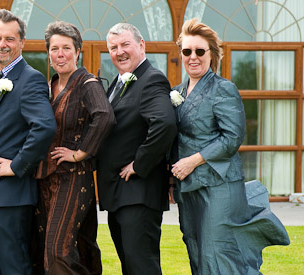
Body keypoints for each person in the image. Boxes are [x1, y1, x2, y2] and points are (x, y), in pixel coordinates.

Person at [170, 18, 290, 274]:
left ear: (212, 54)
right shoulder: (177, 92)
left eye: (200, 51)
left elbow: (232, 138)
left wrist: (193, 161)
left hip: (219, 187)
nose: (193, 57)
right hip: (187, 189)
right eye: (187, 51)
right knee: (196, 252)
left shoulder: (223, 89)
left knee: (217, 254)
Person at [31, 21, 114, 275]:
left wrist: (80, 153)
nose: (60, 54)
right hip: (45, 179)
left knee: (58, 250)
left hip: (74, 178)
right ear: (48, 54)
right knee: (56, 248)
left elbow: (105, 117)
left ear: (77, 51)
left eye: (66, 48)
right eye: (54, 49)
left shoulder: (88, 83)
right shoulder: (49, 85)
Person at [0, 9, 56, 275]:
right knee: (3, 266)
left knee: (14, 267)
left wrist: (17, 164)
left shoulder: (29, 78)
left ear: (22, 42)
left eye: (10, 39)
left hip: (11, 194)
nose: (2, 44)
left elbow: (44, 127)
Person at [95, 23, 177, 275]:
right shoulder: (119, 83)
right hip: (121, 195)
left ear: (141, 45)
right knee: (130, 267)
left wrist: (139, 164)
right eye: (113, 47)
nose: (119, 52)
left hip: (138, 195)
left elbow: (164, 124)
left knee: (142, 267)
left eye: (125, 45)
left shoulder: (151, 79)